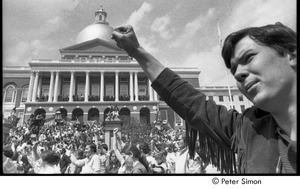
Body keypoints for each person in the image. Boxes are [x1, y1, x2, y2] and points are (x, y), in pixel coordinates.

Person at [111, 22, 297, 174]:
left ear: (292, 54)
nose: (238, 73)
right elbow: (191, 102)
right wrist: (136, 51)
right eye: (233, 70)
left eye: (248, 57)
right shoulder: (248, 129)